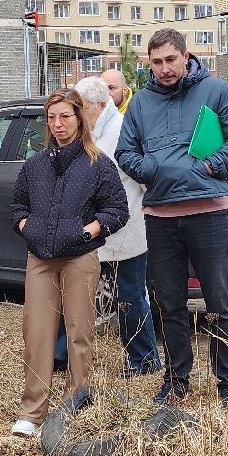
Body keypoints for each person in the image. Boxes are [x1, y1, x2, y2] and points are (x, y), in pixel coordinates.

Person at [115, 29, 228, 409]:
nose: (164, 69)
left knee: (220, 303)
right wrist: (153, 169)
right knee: (170, 304)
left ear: (185, 56)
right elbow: (125, 152)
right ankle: (177, 380)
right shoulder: (141, 103)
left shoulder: (216, 91)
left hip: (208, 211)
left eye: (170, 60)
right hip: (160, 216)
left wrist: (212, 165)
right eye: (157, 62)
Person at [9, 88, 129, 438]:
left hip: (79, 256)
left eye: (64, 116)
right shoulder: (34, 166)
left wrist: (89, 230)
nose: (57, 124)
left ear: (79, 118)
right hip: (41, 258)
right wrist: (26, 226)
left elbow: (118, 210)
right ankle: (32, 411)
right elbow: (17, 206)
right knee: (38, 333)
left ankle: (78, 403)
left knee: (79, 333)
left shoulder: (98, 163)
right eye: (51, 117)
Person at [73, 76, 161, 378]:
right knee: (123, 296)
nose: (78, 115)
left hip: (128, 227)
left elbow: (141, 177)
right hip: (103, 229)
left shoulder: (120, 130)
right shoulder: (94, 130)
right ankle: (139, 356)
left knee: (132, 296)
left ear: (100, 105)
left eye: (81, 108)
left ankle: (145, 359)